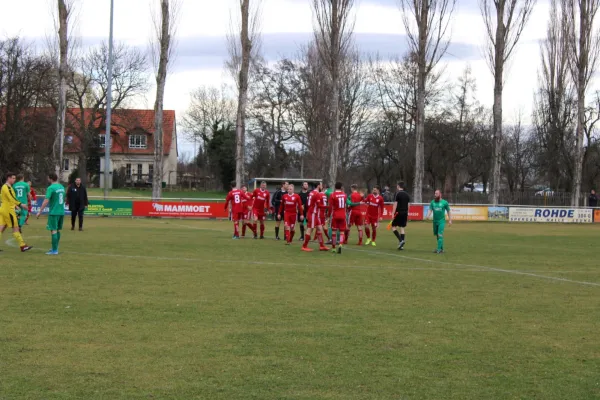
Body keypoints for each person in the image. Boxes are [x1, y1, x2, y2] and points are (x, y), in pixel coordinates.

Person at [0, 172, 33, 252]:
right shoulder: (6, 187)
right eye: (13, 178)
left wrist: (16, 205)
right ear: (9, 178)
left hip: (4, 209)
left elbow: (8, 198)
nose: (14, 180)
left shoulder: (8, 187)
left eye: (15, 178)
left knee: (1, 228)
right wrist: (21, 204)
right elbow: (11, 198)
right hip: (8, 211)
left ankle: (23, 246)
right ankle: (23, 246)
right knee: (16, 228)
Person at [36, 173, 65, 255]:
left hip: (54, 212)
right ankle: (55, 247)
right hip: (61, 211)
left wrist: (40, 211)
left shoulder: (51, 188)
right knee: (57, 230)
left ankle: (55, 250)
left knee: (53, 230)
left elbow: (46, 200)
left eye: (48, 178)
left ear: (51, 179)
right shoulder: (61, 187)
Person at [301, 182, 329, 252]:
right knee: (310, 229)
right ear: (318, 186)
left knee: (319, 228)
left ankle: (322, 246)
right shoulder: (317, 194)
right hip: (313, 213)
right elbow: (319, 205)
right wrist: (328, 206)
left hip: (314, 213)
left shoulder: (311, 192)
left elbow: (308, 203)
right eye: (321, 185)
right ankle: (304, 246)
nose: (322, 187)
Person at [426, 189, 452, 254]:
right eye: (435, 193)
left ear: (440, 194)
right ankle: (441, 249)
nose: (435, 195)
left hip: (441, 221)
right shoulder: (432, 202)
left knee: (440, 234)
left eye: (436, 194)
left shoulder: (444, 202)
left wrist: (450, 220)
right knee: (437, 235)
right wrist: (428, 215)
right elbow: (430, 209)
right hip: (435, 221)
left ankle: (438, 249)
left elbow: (448, 211)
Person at [329, 182, 348, 254]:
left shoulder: (332, 195)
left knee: (334, 231)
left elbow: (330, 207)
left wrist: (328, 215)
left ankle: (333, 248)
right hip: (343, 215)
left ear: (335, 187)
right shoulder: (344, 195)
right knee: (342, 232)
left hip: (335, 215)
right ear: (341, 187)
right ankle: (340, 244)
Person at [391, 181, 410, 250]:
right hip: (405, 213)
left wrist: (393, 213)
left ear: (398, 186)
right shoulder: (407, 194)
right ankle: (401, 246)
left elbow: (395, 204)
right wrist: (407, 214)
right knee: (402, 228)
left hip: (398, 213)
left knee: (393, 226)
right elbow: (408, 205)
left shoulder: (397, 193)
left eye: (397, 185)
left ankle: (401, 241)